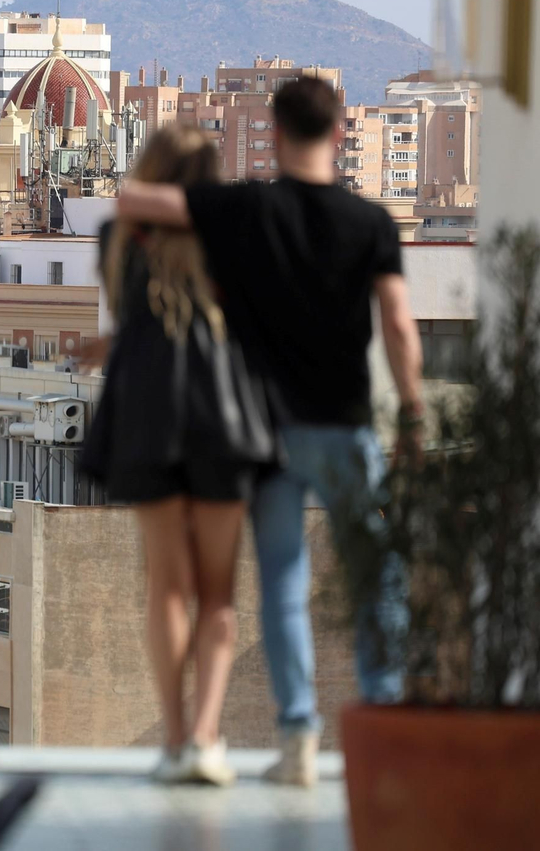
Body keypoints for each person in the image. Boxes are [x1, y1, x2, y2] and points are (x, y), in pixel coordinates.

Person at [118, 76, 423, 788]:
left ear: (276, 134)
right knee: (378, 575)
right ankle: (384, 711)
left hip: (271, 434)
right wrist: (411, 410)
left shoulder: (247, 209)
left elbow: (135, 200)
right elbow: (402, 328)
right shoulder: (371, 222)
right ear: (341, 133)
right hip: (347, 430)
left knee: (282, 588)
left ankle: (297, 740)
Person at [83, 125, 281, 786]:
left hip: (146, 417)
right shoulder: (233, 236)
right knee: (218, 593)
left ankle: (172, 739)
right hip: (223, 416)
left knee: (165, 587)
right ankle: (205, 739)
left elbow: (132, 314)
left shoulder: (119, 238)